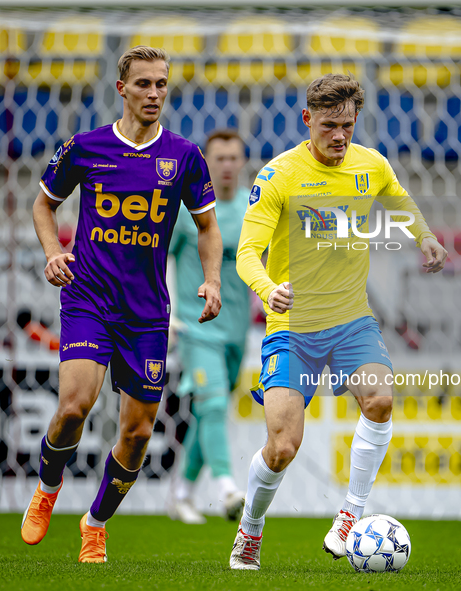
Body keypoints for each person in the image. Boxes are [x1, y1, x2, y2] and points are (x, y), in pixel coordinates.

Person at [229, 73, 448, 570]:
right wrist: (269, 290)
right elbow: (246, 253)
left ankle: (350, 514)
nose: (339, 136)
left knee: (381, 399)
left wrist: (426, 237)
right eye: (329, 125)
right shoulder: (279, 175)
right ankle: (251, 529)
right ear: (307, 119)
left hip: (352, 322)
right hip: (293, 326)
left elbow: (397, 199)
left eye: (348, 125)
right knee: (283, 446)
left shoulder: (371, 165)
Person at [21, 46, 222, 563]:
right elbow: (43, 203)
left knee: (134, 435)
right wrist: (52, 252)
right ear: (122, 89)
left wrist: (213, 280)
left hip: (147, 313)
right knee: (73, 408)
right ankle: (47, 490)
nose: (154, 93)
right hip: (88, 297)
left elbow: (206, 227)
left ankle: (95, 522)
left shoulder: (183, 155)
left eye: (161, 84)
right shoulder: (85, 147)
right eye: (144, 84)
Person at [167, 129, 249, 524]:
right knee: (213, 403)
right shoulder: (187, 211)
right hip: (196, 325)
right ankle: (227, 488)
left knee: (209, 412)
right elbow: (162, 258)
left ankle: (182, 492)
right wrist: (167, 313)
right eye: (220, 159)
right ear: (206, 162)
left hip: (236, 331)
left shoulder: (254, 211)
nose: (228, 166)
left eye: (234, 158)